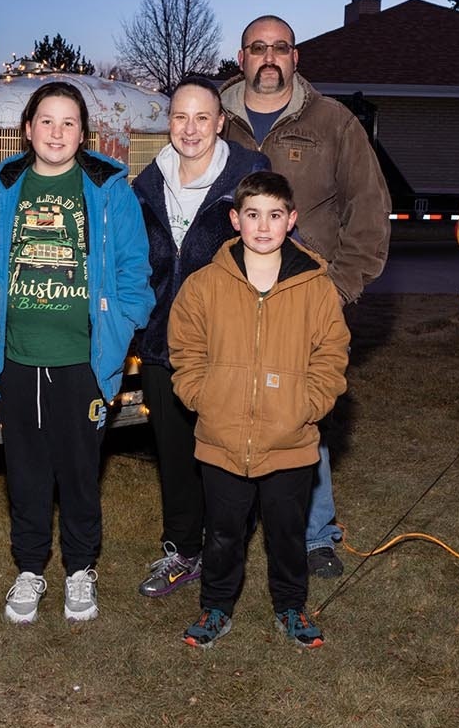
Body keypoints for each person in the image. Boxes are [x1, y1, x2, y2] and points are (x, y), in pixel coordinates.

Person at [0, 80, 153, 625]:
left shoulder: (109, 188)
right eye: (46, 121)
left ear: (82, 133)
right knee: (27, 471)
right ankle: (31, 567)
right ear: (28, 129)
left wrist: (125, 323)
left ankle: (81, 569)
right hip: (16, 357)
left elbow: (135, 267)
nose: (56, 133)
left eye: (68, 123)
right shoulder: (2, 188)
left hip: (84, 361)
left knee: (81, 471)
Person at [219, 15, 390, 578]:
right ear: (241, 57)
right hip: (230, 294)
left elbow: (369, 209)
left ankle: (315, 535)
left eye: (281, 48)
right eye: (258, 48)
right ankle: (226, 529)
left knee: (300, 412)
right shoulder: (212, 120)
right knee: (230, 408)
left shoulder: (333, 122)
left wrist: (340, 287)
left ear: (296, 58)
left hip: (305, 293)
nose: (269, 57)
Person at [167, 171, 350, 648]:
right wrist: (203, 396)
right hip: (222, 437)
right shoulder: (206, 284)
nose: (263, 226)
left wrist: (308, 405)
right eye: (252, 215)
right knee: (223, 533)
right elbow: (184, 349)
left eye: (274, 215)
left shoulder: (315, 286)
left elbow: (331, 354)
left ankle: (291, 606)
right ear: (235, 220)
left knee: (287, 534)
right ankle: (215, 608)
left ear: (291, 220)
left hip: (289, 440)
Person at [131, 76, 269, 597]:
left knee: (228, 449)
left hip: (229, 343)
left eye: (202, 118)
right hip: (165, 342)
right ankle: (182, 550)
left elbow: (271, 246)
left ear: (219, 122)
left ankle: (226, 547)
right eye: (180, 117)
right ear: (169, 123)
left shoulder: (249, 173)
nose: (190, 129)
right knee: (174, 452)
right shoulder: (145, 184)